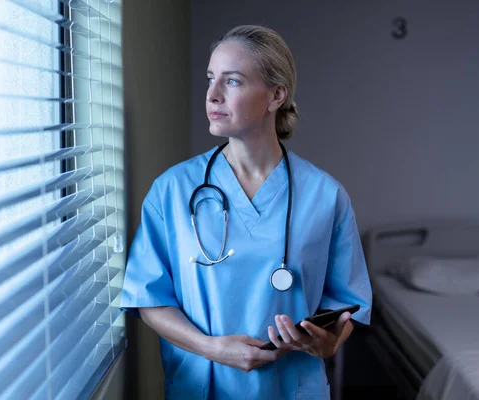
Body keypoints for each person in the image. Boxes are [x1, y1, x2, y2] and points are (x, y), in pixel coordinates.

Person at [119, 24, 372, 400]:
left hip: (291, 386)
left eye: (232, 81)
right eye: (210, 79)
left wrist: (327, 344)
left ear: (276, 95)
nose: (213, 95)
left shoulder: (325, 195)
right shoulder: (172, 190)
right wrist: (212, 348)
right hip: (201, 386)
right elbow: (149, 297)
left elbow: (344, 303)